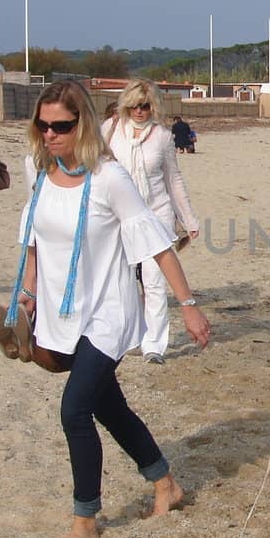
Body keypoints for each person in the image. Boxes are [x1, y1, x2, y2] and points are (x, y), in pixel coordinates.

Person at [7, 80, 211, 538]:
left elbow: (156, 245)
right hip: (63, 313)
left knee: (74, 409)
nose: (51, 134)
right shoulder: (37, 171)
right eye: (43, 125)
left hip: (109, 313)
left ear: (83, 125)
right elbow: (34, 240)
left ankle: (85, 521)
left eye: (62, 125)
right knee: (108, 406)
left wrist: (189, 307)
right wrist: (27, 293)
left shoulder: (108, 177)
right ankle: (166, 483)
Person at [100, 80, 201, 364]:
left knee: (154, 280)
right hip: (119, 215)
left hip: (156, 213)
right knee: (121, 278)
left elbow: (173, 179)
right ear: (125, 105)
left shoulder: (162, 137)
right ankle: (128, 335)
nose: (140, 111)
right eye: (134, 106)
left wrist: (188, 218)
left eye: (145, 106)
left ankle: (154, 344)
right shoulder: (109, 130)